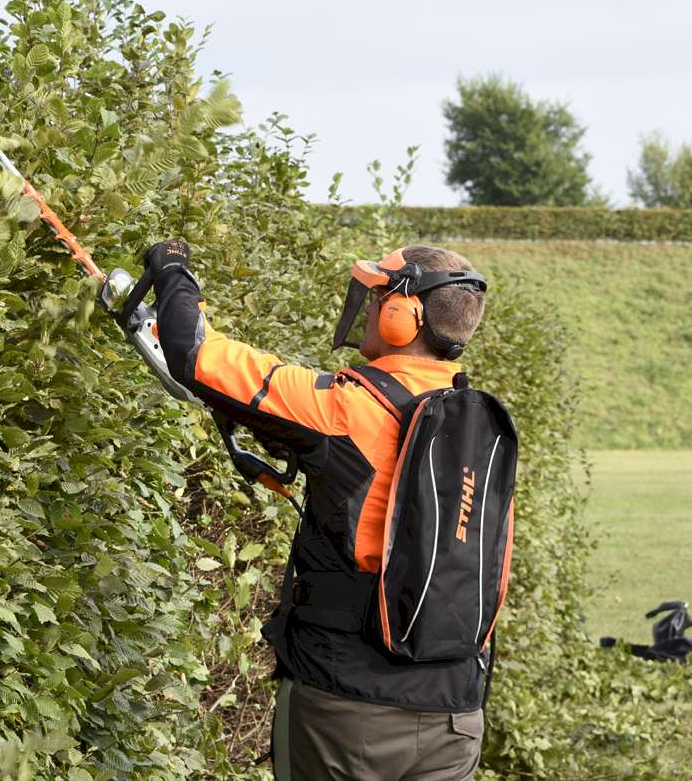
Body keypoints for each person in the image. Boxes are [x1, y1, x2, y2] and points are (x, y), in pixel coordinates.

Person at [146, 238, 492, 781]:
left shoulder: (347, 406)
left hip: (346, 708)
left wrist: (172, 270)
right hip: (456, 717)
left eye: (377, 298)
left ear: (404, 316)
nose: (369, 308)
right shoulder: (479, 423)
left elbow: (195, 352)